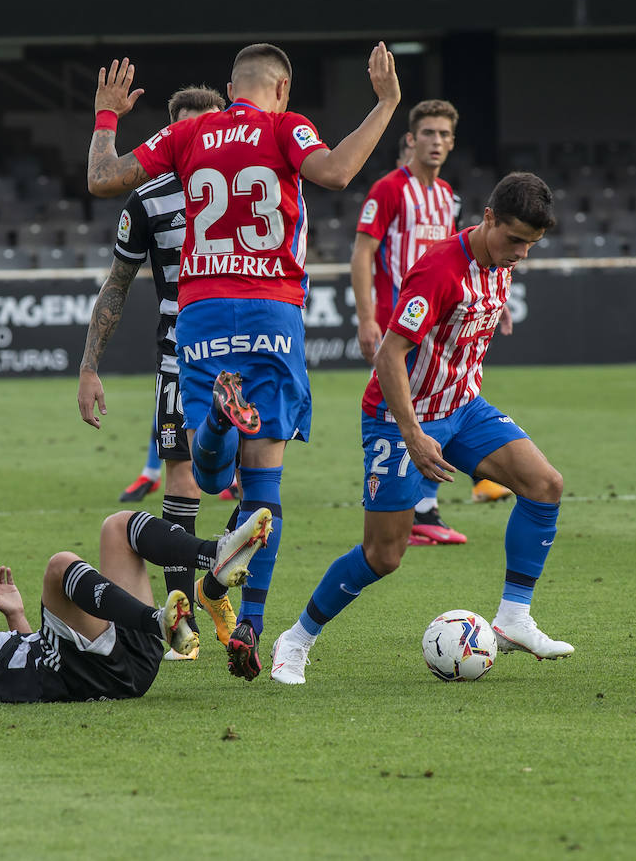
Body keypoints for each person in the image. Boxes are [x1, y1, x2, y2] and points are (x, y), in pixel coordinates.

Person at [86, 43, 401, 680]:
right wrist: (387, 101)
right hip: (270, 313)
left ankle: (219, 425)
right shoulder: (287, 128)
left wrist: (105, 116)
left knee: (204, 479)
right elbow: (337, 172)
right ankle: (251, 622)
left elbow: (101, 179)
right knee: (264, 488)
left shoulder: (188, 131)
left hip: (199, 311)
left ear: (232, 86)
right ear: (281, 90)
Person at [269, 173, 573, 685]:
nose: (521, 253)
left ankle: (514, 618)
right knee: (384, 554)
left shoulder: (502, 261)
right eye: (515, 239)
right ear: (489, 219)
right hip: (399, 416)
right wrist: (410, 431)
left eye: (531, 245)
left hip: (463, 407)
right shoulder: (437, 269)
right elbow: (390, 355)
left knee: (545, 485)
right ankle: (296, 639)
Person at [78, 84, 228, 660]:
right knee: (184, 482)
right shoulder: (147, 199)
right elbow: (115, 287)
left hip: (246, 352)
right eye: (186, 130)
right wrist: (90, 367)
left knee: (253, 477)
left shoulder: (253, 189)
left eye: (208, 126)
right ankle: (180, 618)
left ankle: (226, 594)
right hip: (180, 357)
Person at [0, 507, 274, 704]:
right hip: (86, 677)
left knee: (117, 526)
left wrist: (16, 617)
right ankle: (158, 624)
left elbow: (22, 661)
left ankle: (214, 554)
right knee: (60, 566)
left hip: (117, 663)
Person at [351, 99, 512, 544]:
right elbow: (362, 252)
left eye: (444, 135)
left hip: (440, 326)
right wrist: (366, 318)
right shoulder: (388, 190)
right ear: (410, 139)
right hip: (395, 325)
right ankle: (414, 511)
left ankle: (425, 509)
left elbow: (463, 255)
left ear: (453, 142)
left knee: (443, 403)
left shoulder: (446, 196)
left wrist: (495, 300)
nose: (436, 142)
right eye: (428, 133)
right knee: (400, 413)